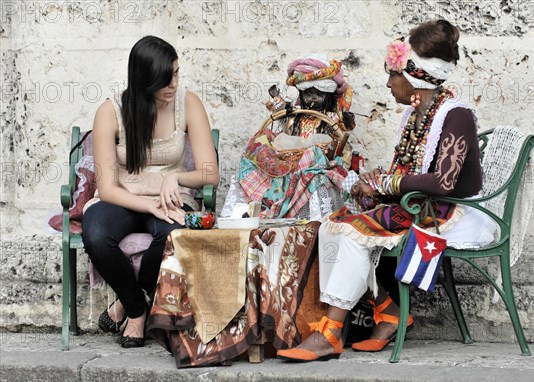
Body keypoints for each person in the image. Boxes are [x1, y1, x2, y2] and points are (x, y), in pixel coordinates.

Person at [277, 19, 496, 362]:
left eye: (392, 74)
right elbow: (406, 172)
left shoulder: (457, 116)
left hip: (454, 212)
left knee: (352, 231)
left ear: (414, 81)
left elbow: (444, 182)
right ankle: (389, 311)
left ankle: (330, 333)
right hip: (423, 205)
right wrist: (375, 185)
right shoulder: (414, 116)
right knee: (334, 224)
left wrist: (385, 184)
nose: (387, 82)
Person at [82, 36, 219, 348]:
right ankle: (136, 308)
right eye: (164, 78)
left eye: (176, 73)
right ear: (144, 79)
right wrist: (147, 206)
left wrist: (177, 179)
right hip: (121, 197)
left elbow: (211, 173)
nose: (173, 84)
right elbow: (106, 187)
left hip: (170, 199)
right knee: (97, 233)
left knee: (176, 234)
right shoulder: (111, 111)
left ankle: (132, 301)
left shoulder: (188, 103)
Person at [221, 54, 355, 220]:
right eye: (308, 93)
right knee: (261, 144)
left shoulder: (330, 118)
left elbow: (342, 134)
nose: (313, 98)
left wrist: (345, 120)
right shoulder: (295, 115)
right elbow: (281, 111)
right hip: (288, 160)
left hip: (314, 162)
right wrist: (276, 98)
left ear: (328, 95)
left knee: (314, 165)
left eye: (319, 94)